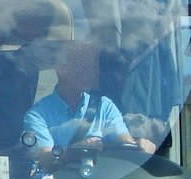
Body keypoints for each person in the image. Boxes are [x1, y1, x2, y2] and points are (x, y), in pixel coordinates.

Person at [22, 40, 156, 161]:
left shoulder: (104, 106)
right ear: (62, 70)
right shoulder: (37, 116)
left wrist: (140, 144)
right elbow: (45, 159)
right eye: (84, 66)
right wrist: (77, 150)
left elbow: (125, 141)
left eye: (94, 66)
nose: (93, 73)